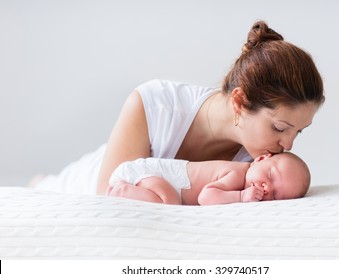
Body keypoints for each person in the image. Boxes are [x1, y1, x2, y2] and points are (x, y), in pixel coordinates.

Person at [32, 20, 324, 196]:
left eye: (299, 132)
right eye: (280, 128)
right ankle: (41, 181)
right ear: (239, 101)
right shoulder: (154, 104)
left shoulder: (263, 165)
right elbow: (109, 197)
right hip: (85, 179)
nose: (287, 145)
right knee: (46, 188)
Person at [105, 152, 311, 205]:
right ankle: (121, 190)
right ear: (261, 159)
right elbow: (206, 197)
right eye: (271, 175)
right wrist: (240, 197)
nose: (267, 188)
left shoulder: (244, 175)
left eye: (275, 195)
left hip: (154, 177)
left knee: (169, 201)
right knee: (169, 203)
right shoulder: (237, 174)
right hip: (147, 173)